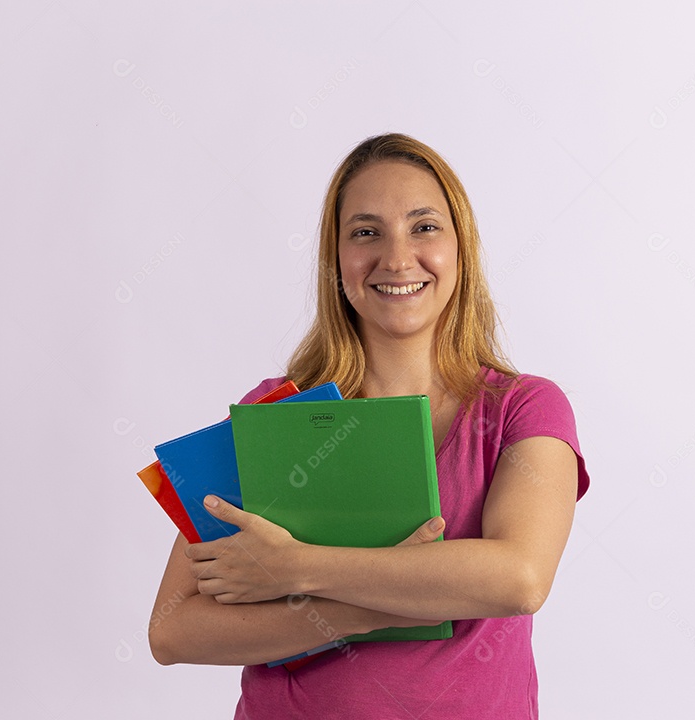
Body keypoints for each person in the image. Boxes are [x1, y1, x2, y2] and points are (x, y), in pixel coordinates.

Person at [148, 133, 590, 719]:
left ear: (462, 248)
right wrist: (382, 607)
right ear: (337, 260)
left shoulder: (525, 408)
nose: (397, 258)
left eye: (424, 226)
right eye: (365, 232)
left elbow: (519, 578)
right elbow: (174, 630)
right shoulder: (275, 412)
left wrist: (296, 568)